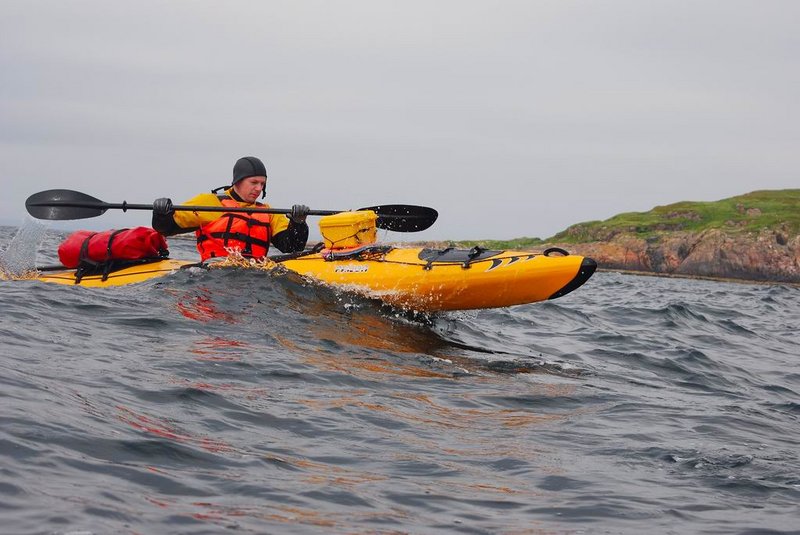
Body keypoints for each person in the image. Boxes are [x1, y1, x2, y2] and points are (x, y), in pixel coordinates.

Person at [151, 156, 310, 261]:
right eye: (253, 182)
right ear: (238, 181)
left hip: (256, 277)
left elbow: (292, 247)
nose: (258, 188)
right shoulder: (211, 203)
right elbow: (166, 228)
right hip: (213, 274)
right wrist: (161, 213)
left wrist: (298, 224)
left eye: (262, 184)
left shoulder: (268, 212)